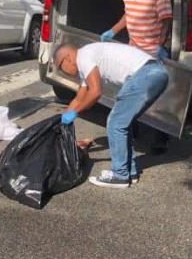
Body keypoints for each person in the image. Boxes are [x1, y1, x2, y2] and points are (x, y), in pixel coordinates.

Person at [54, 42, 169, 188]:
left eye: (60, 67)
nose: (63, 71)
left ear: (68, 58)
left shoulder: (83, 57)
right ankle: (129, 172)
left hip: (145, 74)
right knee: (123, 123)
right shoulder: (85, 64)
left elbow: (95, 92)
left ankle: (119, 175)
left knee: (115, 123)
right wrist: (62, 121)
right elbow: (79, 98)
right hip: (155, 73)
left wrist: (75, 113)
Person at [101, 0, 173, 153]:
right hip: (133, 50)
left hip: (152, 51)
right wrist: (113, 31)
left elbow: (165, 20)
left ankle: (161, 137)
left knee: (156, 96)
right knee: (128, 91)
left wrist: (160, 45)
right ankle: (131, 130)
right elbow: (128, 14)